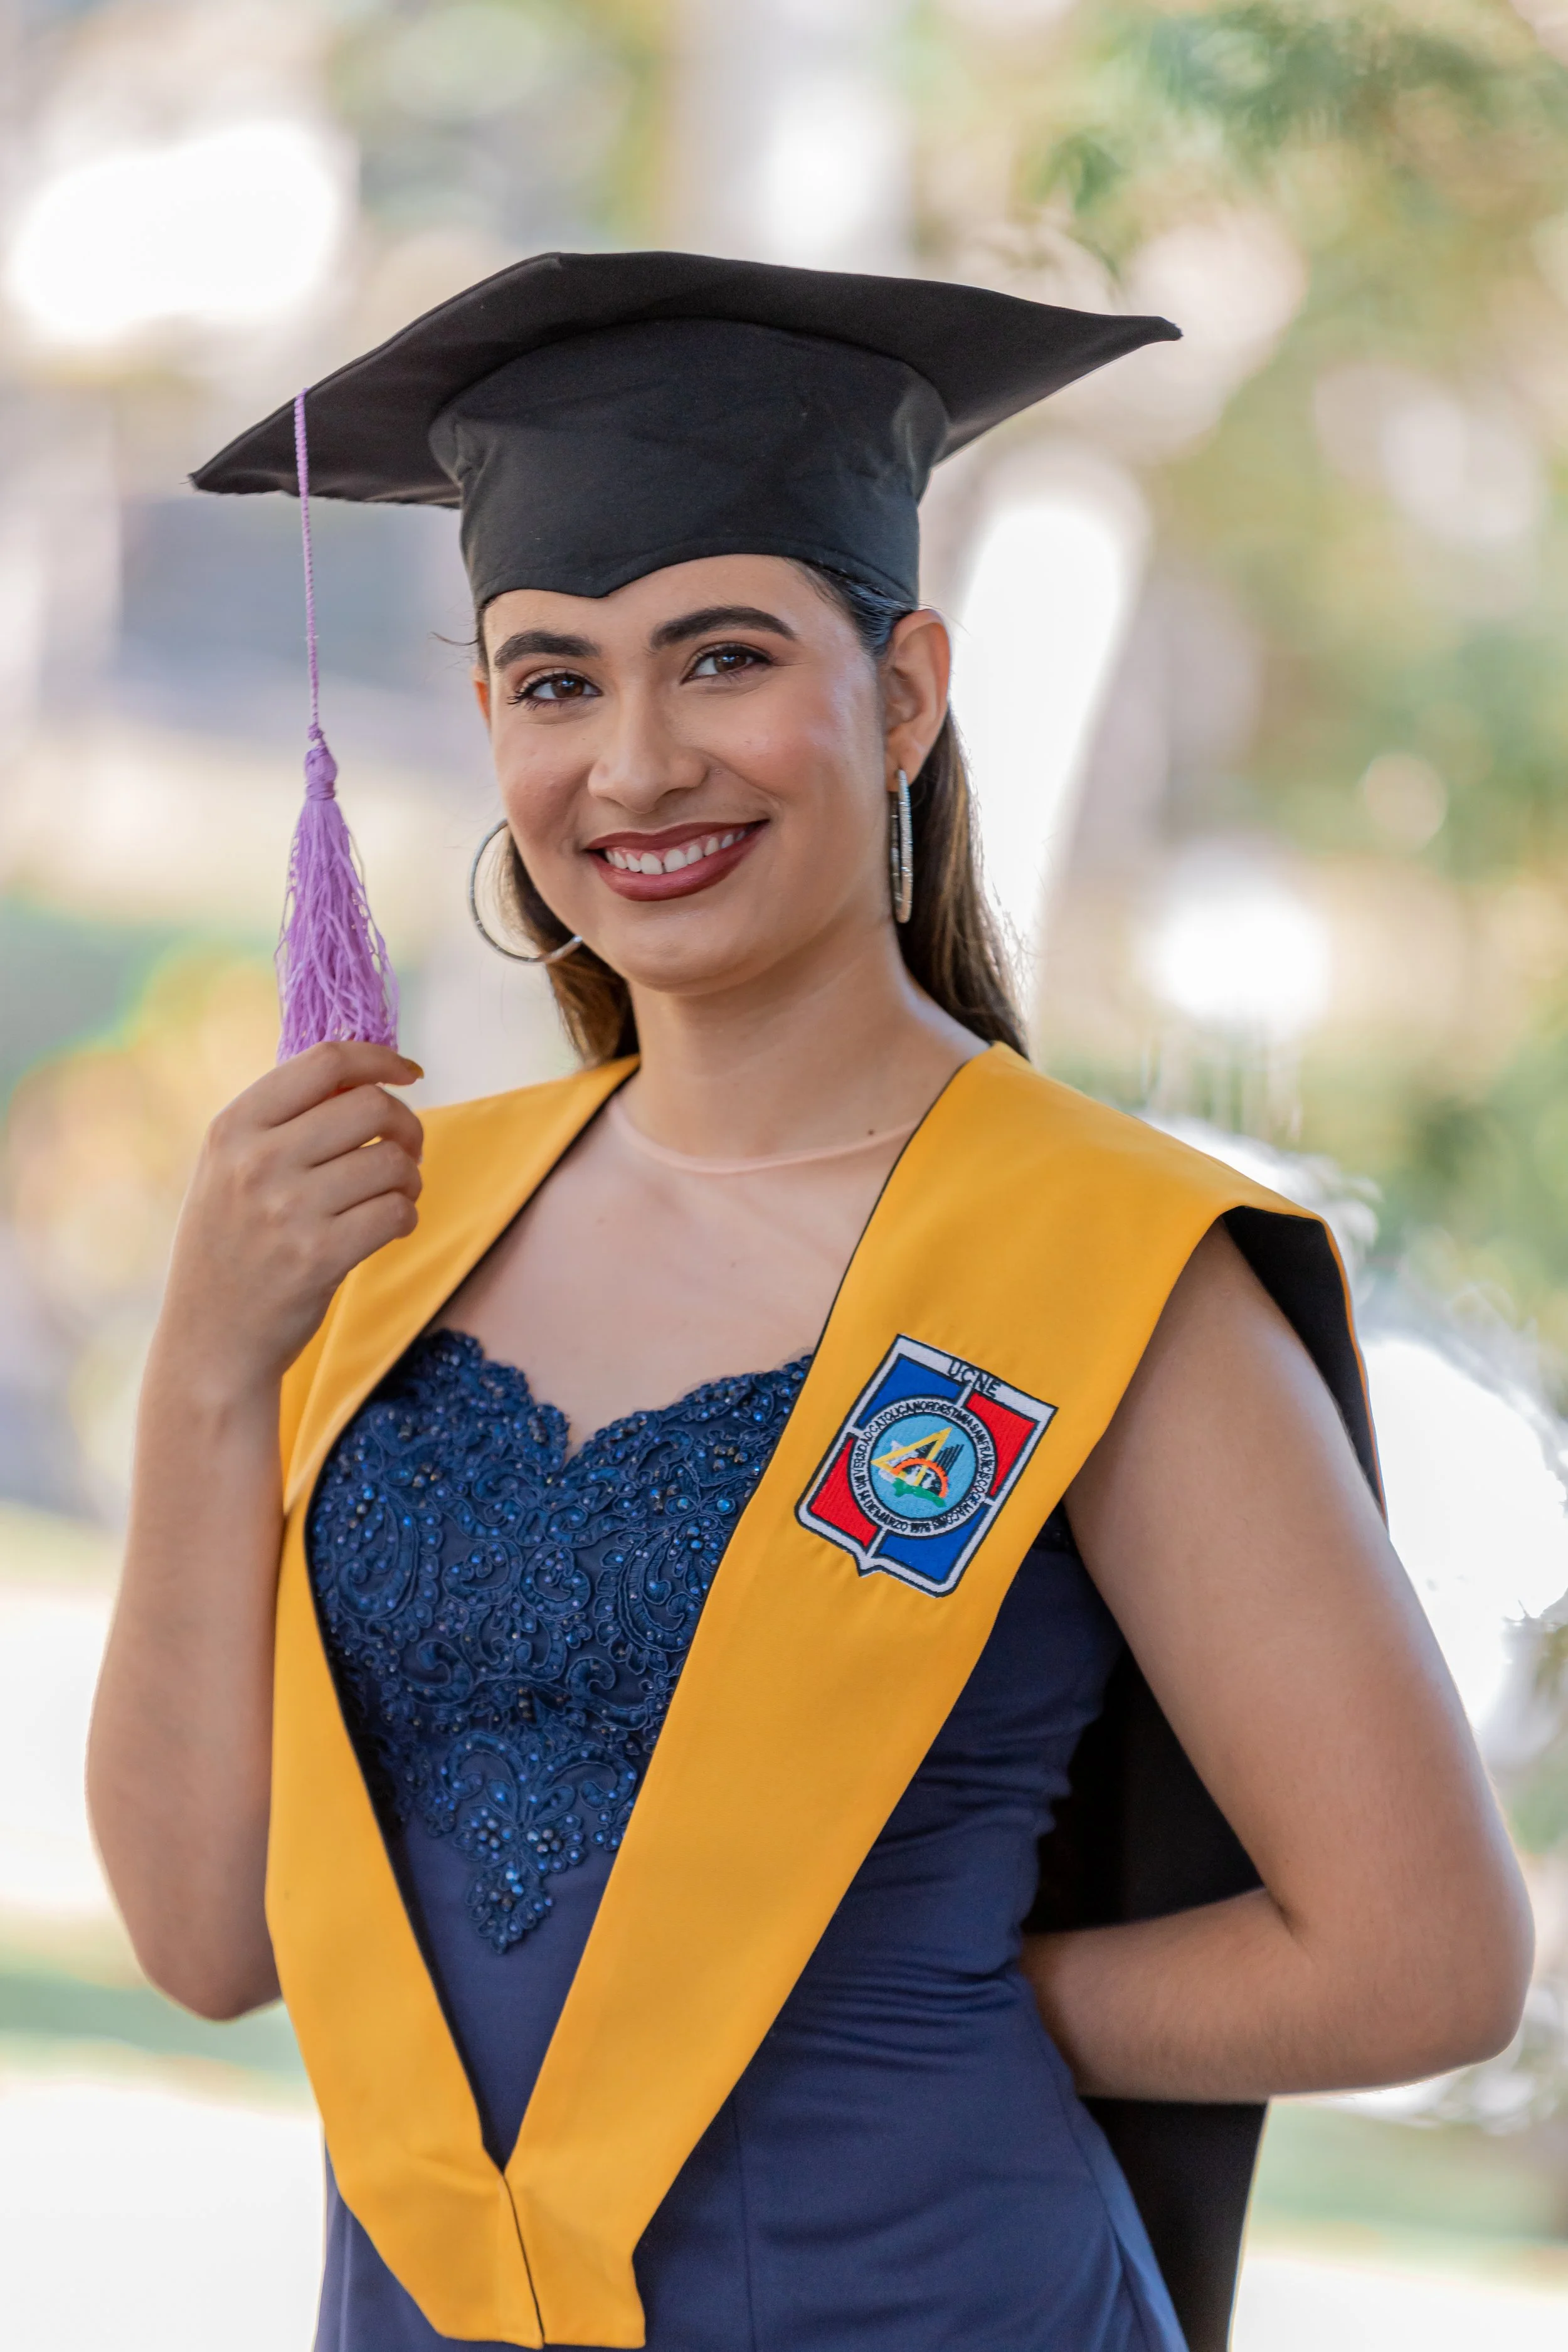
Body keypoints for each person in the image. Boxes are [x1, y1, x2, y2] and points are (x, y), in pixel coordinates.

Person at [88, 253, 1531, 2352]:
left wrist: (883, 1981)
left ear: (906, 689)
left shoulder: (1093, 1263)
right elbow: (210, 1934)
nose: (640, 763)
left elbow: (1420, 1957)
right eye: (555, 679)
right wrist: (209, 1374)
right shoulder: (387, 1229)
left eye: (724, 656)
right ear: (488, 718)